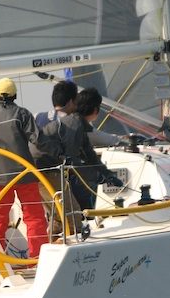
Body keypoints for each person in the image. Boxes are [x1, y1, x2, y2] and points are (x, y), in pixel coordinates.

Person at [0, 78, 60, 258]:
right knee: (34, 218)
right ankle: (36, 259)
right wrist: (59, 153)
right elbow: (38, 140)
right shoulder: (21, 114)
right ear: (15, 95)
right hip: (24, 175)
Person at [33, 87, 122, 229]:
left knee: (60, 216)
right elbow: (74, 162)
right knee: (71, 214)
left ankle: (55, 239)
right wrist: (97, 177)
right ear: (95, 110)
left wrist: (108, 175)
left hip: (39, 168)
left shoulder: (76, 124)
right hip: (44, 170)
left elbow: (90, 155)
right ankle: (72, 239)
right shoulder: (73, 126)